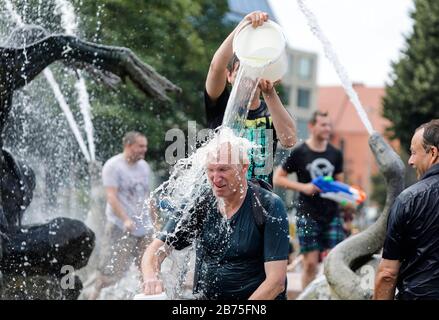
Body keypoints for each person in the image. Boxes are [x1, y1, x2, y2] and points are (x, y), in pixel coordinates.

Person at [141, 141, 289, 300]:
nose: (215, 178)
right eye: (210, 170)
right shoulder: (199, 201)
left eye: (223, 169)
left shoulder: (268, 205)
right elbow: (155, 250)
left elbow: (276, 283)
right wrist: (151, 277)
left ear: (243, 168)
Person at [204, 10, 296, 185]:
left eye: (253, 70)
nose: (248, 76)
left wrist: (270, 93)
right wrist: (242, 27)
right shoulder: (221, 105)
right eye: (241, 71)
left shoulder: (272, 111)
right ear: (229, 76)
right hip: (223, 194)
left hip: (260, 199)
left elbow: (289, 140)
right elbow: (216, 65)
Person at [273, 111, 345, 289]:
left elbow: (340, 184)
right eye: (323, 125)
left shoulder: (336, 153)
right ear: (312, 127)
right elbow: (278, 178)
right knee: (310, 263)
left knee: (335, 263)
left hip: (332, 213)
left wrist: (346, 201)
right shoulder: (300, 152)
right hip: (307, 212)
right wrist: (304, 187)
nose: (327, 128)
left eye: (329, 125)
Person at [374, 119, 439, 300]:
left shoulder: (408, 200)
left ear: (433, 152)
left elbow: (387, 274)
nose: (410, 161)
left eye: (413, 153)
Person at [90, 131, 155, 299]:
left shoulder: (144, 167)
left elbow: (148, 196)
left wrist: (155, 221)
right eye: (141, 146)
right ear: (128, 145)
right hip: (120, 227)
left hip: (144, 228)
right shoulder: (113, 166)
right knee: (111, 274)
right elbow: (111, 196)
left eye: (145, 146)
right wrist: (125, 219)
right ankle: (94, 294)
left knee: (148, 270)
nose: (144, 150)